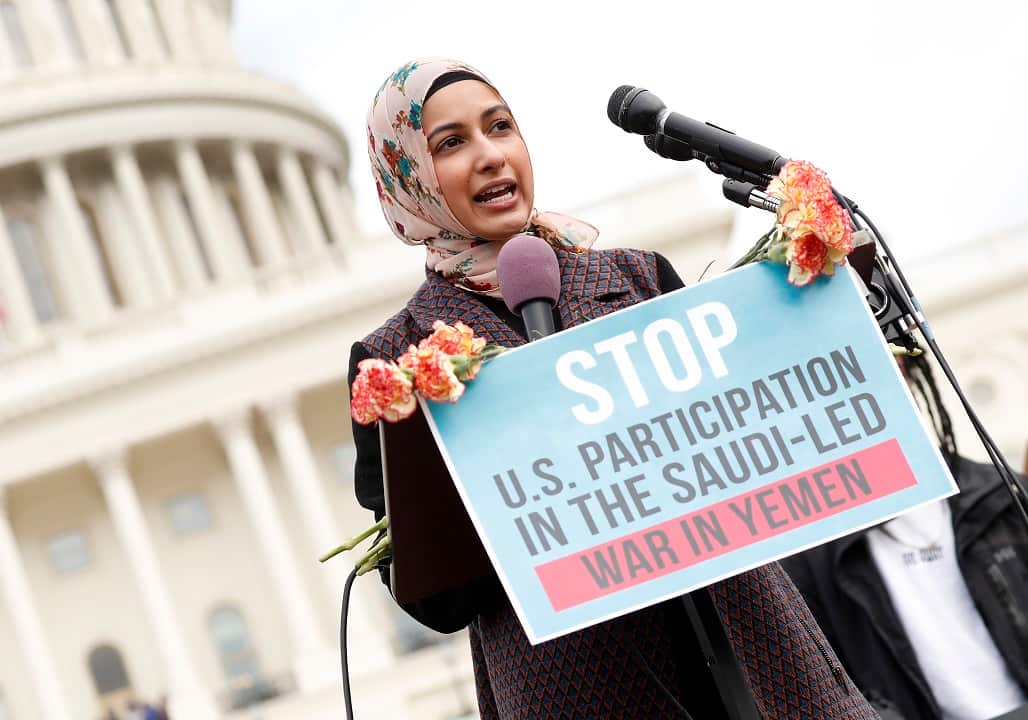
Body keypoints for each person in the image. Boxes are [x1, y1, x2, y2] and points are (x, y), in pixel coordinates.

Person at [349, 57, 879, 720]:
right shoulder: (397, 362)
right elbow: (437, 602)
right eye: (450, 144)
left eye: (500, 127)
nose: (489, 156)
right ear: (406, 178)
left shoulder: (636, 277)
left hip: (755, 658)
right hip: (584, 690)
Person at [781, 353, 1028, 720]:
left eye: (880, 369)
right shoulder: (806, 554)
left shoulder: (1006, 495)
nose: (867, 394)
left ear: (910, 378)